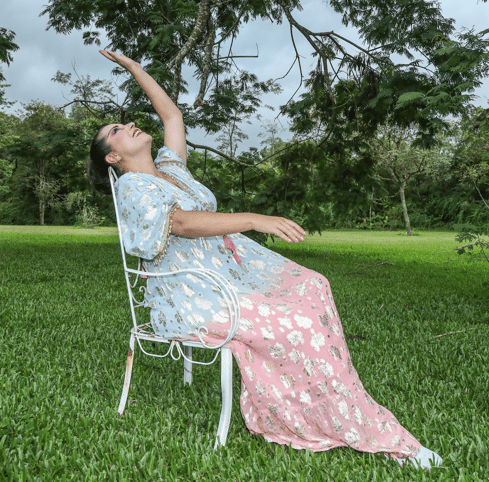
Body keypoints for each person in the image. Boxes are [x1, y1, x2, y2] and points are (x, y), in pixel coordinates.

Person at [87, 50, 442, 469]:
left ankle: (332, 396)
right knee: (300, 323)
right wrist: (255, 219)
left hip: (227, 277)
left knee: (313, 285)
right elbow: (179, 223)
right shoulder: (132, 188)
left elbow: (174, 118)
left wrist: (133, 68)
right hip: (192, 297)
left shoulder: (170, 169)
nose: (128, 124)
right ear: (112, 156)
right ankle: (364, 429)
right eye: (116, 129)